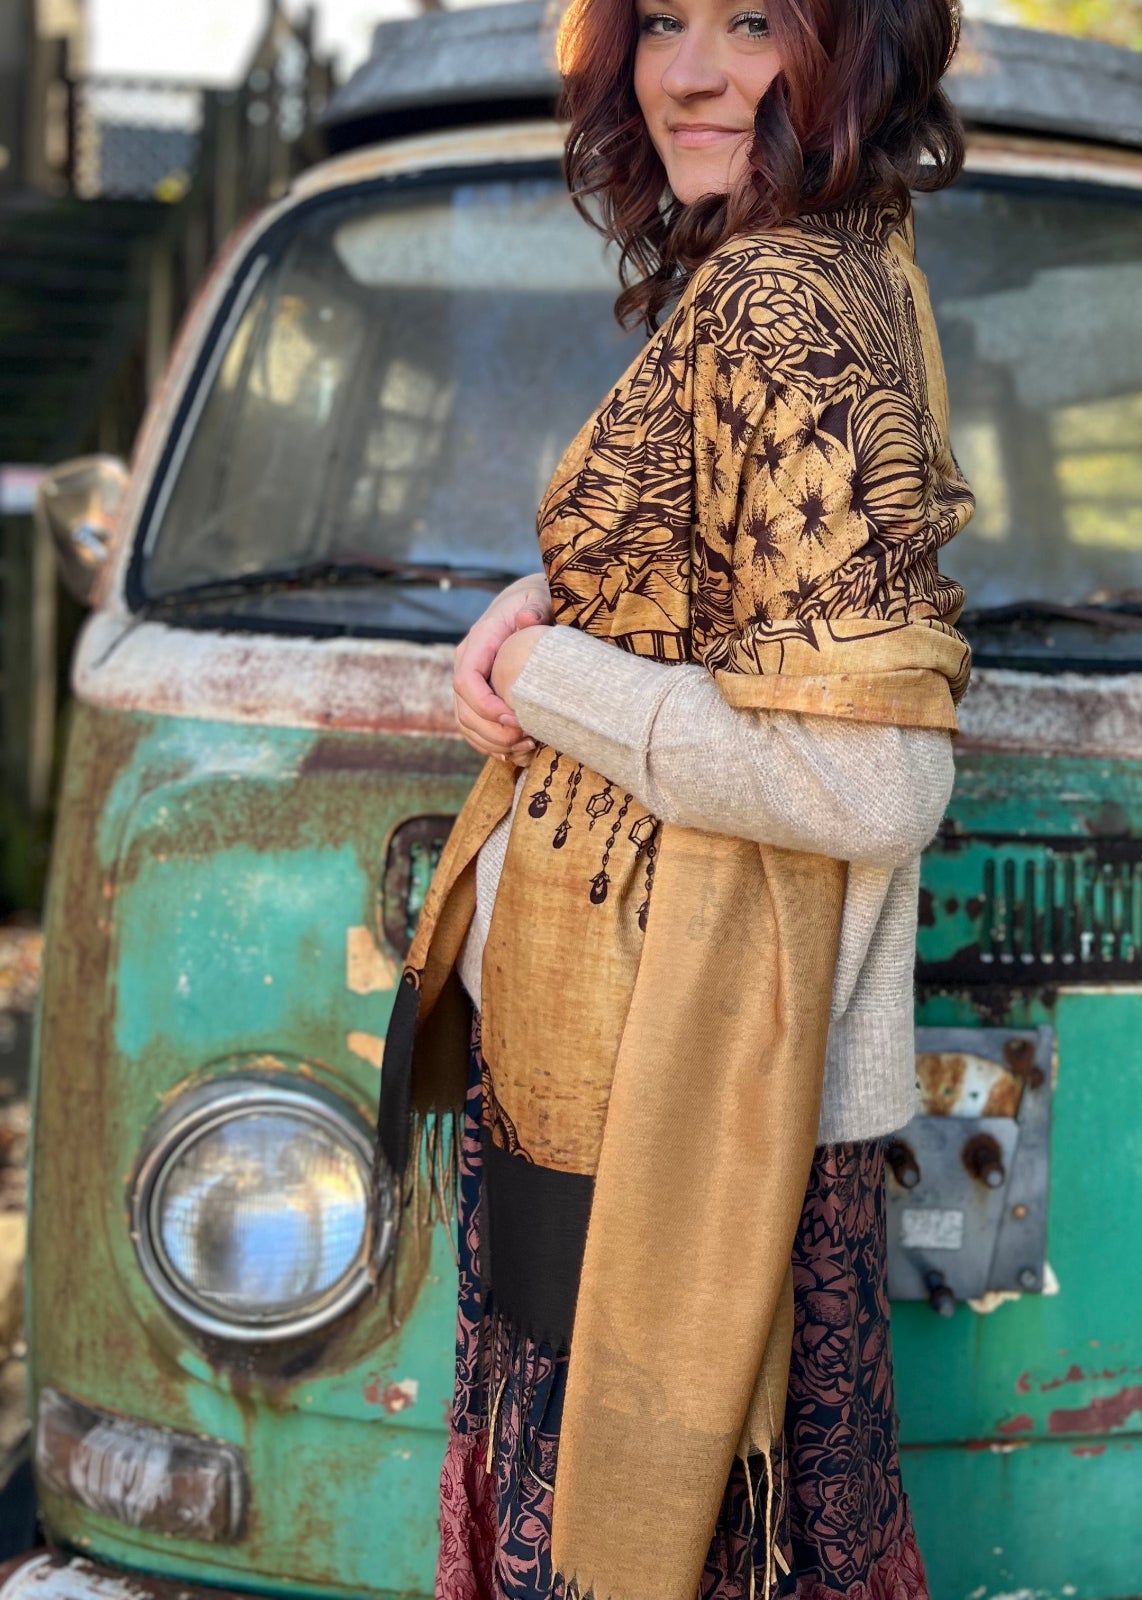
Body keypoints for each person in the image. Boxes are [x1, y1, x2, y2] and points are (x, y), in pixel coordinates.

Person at [375, 0, 973, 1595]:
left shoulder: (783, 295)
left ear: (850, 46)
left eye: (754, 20)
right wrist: (540, 602)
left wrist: (545, 672)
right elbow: (720, 584)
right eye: (660, 21)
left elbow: (873, 772)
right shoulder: (825, 259)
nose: (689, 71)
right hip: (639, 1066)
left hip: (681, 1097)